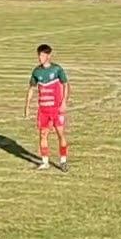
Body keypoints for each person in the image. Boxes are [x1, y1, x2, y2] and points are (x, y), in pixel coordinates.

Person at [23, 44, 70, 172]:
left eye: (43, 55)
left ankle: (63, 161)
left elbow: (66, 85)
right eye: (39, 55)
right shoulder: (36, 72)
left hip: (56, 109)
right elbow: (31, 89)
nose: (40, 58)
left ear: (49, 56)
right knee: (43, 134)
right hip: (43, 110)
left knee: (60, 133)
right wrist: (27, 106)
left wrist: (64, 102)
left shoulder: (57, 69)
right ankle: (45, 162)